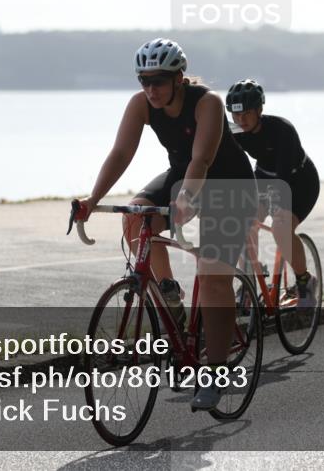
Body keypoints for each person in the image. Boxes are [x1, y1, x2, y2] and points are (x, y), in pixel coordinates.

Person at [77, 39, 256, 411]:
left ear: (178, 78)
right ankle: (170, 295)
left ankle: (215, 374)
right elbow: (121, 153)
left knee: (212, 277)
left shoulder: (206, 102)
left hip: (228, 185)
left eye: (158, 80)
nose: (150, 89)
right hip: (182, 174)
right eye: (144, 80)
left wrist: (185, 201)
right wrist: (92, 200)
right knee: (136, 218)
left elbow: (202, 160)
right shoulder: (141, 103)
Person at [226, 79, 320, 307]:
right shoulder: (235, 131)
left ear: (259, 109)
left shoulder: (282, 130)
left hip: (299, 181)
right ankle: (248, 284)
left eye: (247, 113)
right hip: (265, 176)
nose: (241, 120)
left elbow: (283, 179)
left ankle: (304, 280)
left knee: (280, 226)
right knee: (244, 224)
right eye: (235, 115)